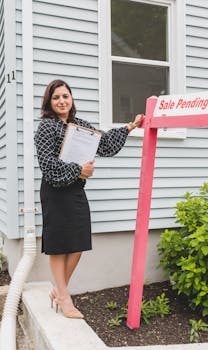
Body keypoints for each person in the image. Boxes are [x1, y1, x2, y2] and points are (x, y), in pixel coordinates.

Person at [34, 79, 143, 319]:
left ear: (71, 99)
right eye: (56, 98)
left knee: (79, 242)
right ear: (49, 103)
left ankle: (57, 290)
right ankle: (64, 297)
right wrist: (79, 170)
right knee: (59, 244)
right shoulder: (46, 127)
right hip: (54, 191)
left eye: (65, 96)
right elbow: (47, 165)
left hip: (75, 191)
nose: (61, 101)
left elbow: (103, 144)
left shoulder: (80, 125)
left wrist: (129, 127)